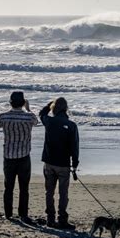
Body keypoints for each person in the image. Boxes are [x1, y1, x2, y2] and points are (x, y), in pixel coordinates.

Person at [0, 91, 38, 223]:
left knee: (8, 187)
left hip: (8, 155)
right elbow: (36, 122)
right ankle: (23, 214)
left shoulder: (3, 117)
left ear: (10, 102)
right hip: (24, 156)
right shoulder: (29, 117)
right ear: (23, 102)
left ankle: (8, 214)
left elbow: (0, 125)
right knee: (24, 188)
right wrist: (28, 108)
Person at [39, 97, 79, 230]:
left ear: (54, 109)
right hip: (63, 164)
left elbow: (41, 114)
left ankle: (50, 218)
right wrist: (75, 163)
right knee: (63, 194)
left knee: (49, 192)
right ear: (66, 109)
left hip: (49, 162)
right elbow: (74, 147)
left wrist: (48, 104)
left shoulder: (49, 121)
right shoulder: (71, 125)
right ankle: (62, 219)